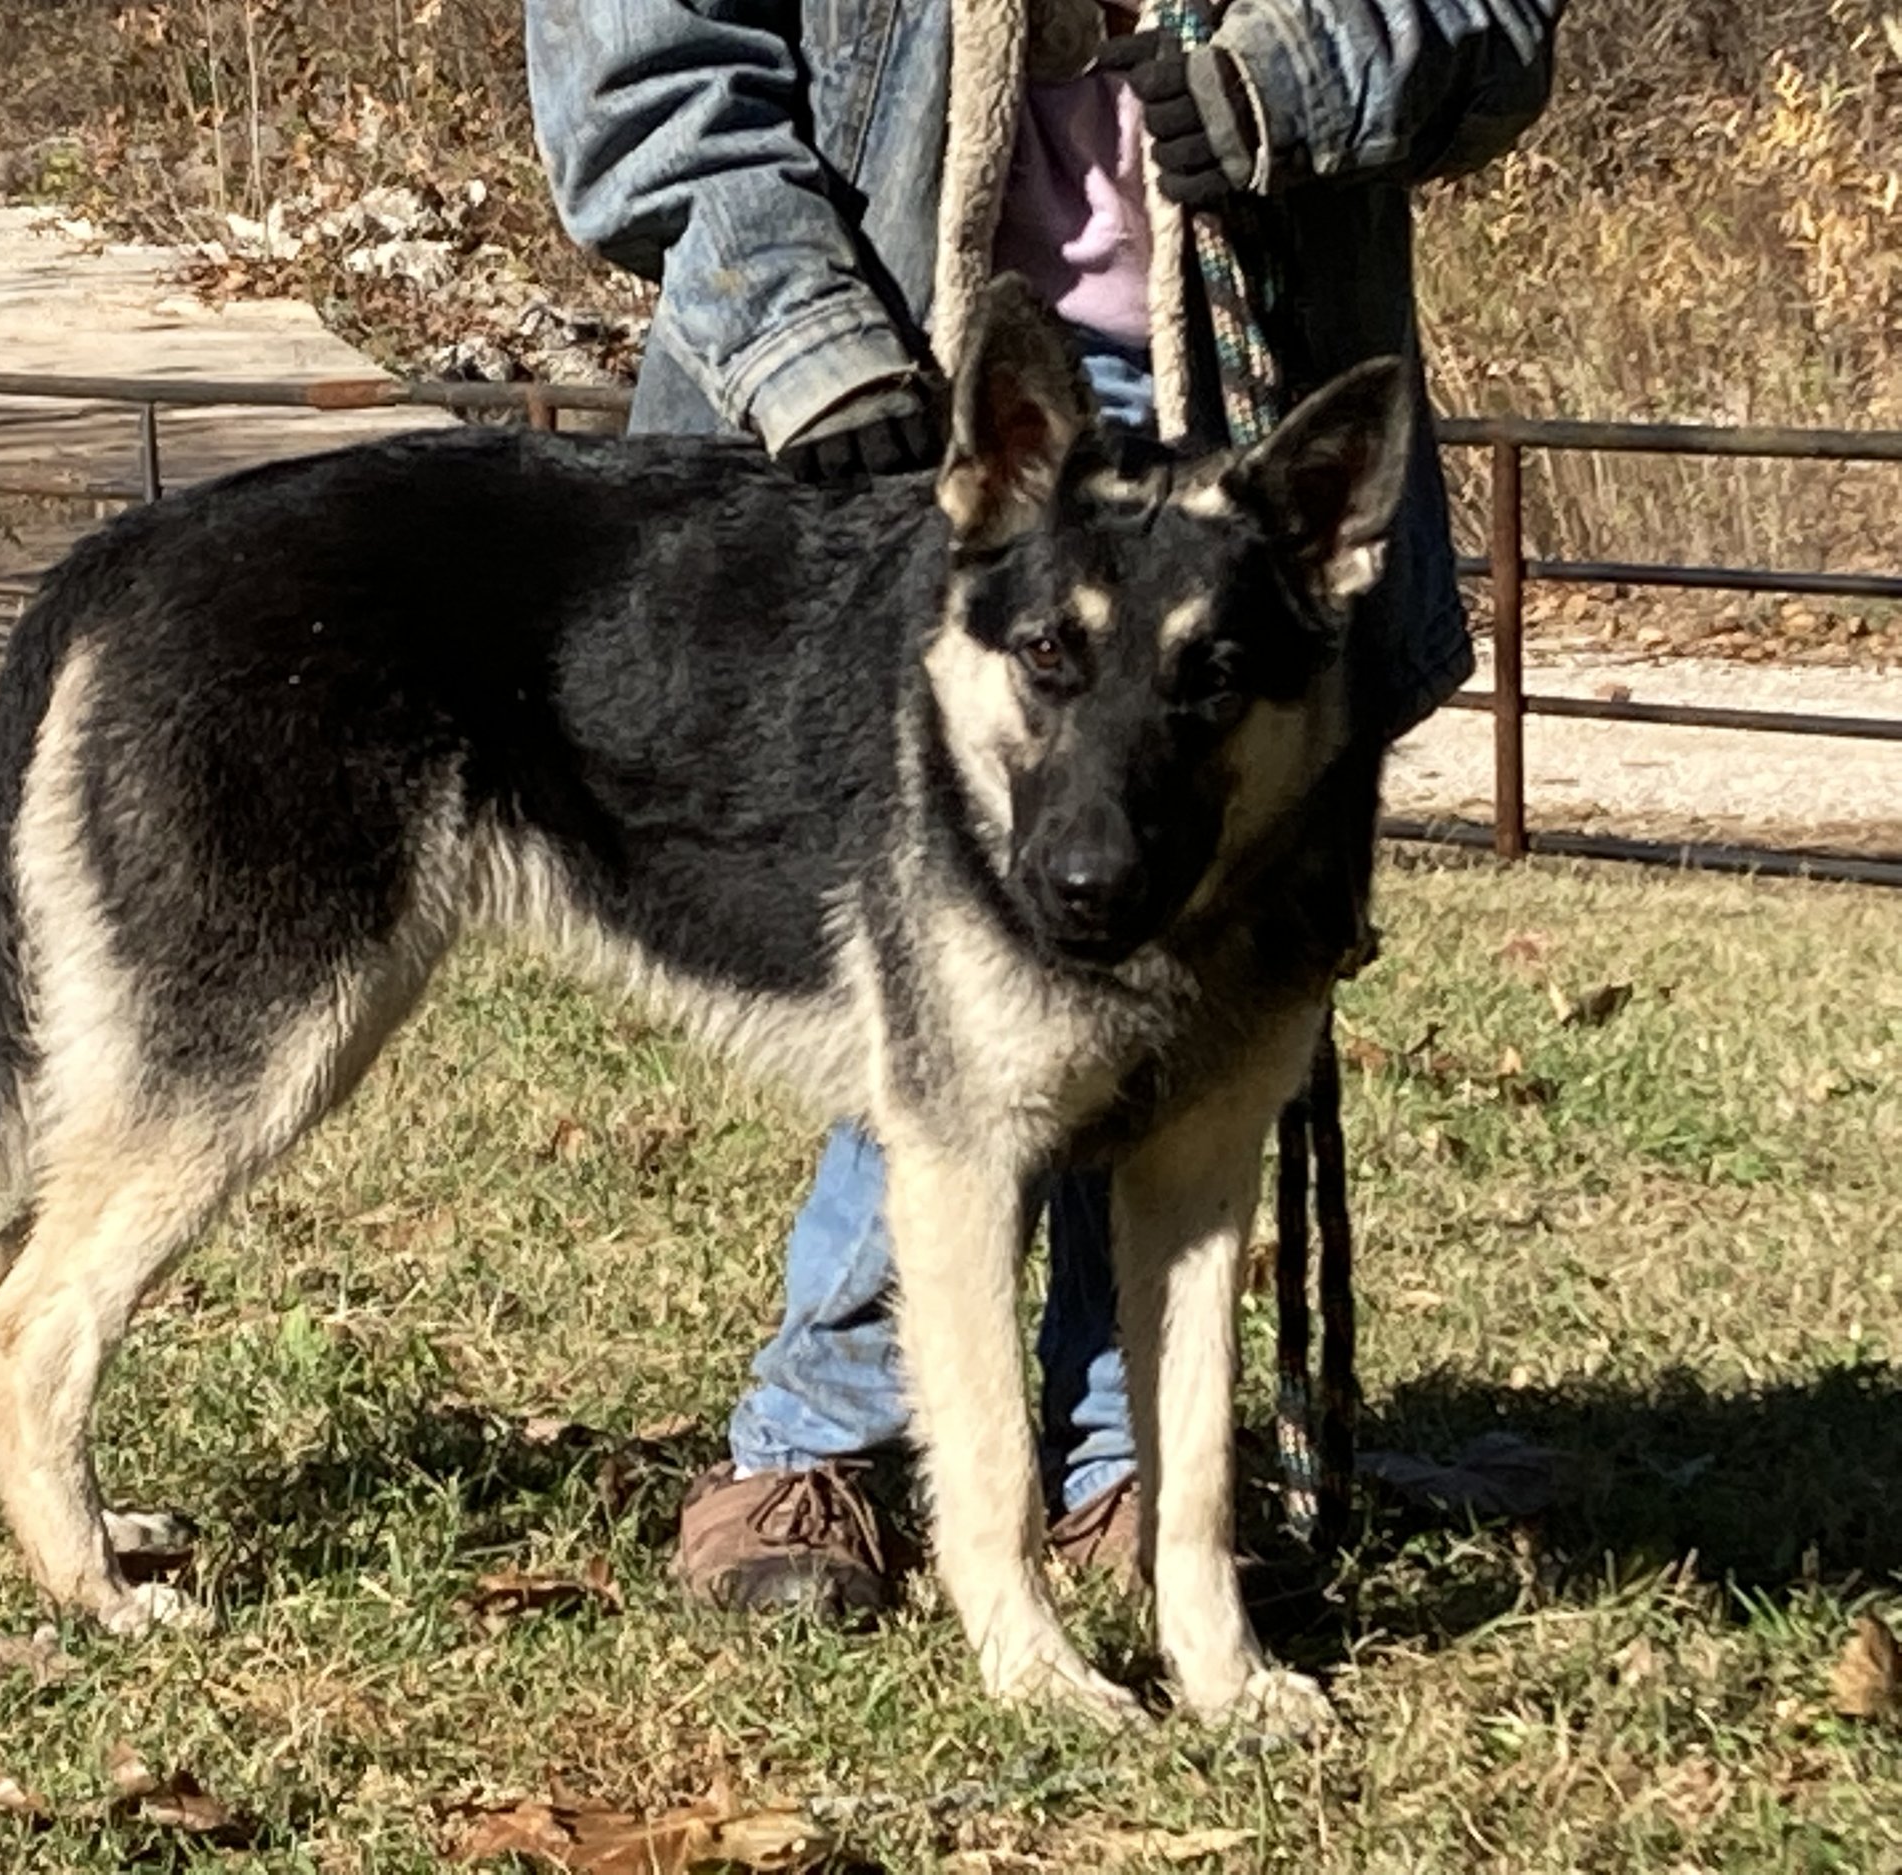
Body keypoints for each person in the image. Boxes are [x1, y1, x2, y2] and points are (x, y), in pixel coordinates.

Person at [526, 0, 1562, 1615]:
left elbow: (1492, 22)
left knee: (1167, 947)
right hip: (900, 380)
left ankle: (1121, 1465)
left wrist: (1298, 77)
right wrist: (799, 333)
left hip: (1263, 395)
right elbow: (639, 60)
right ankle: (829, 1435)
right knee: (966, 992)